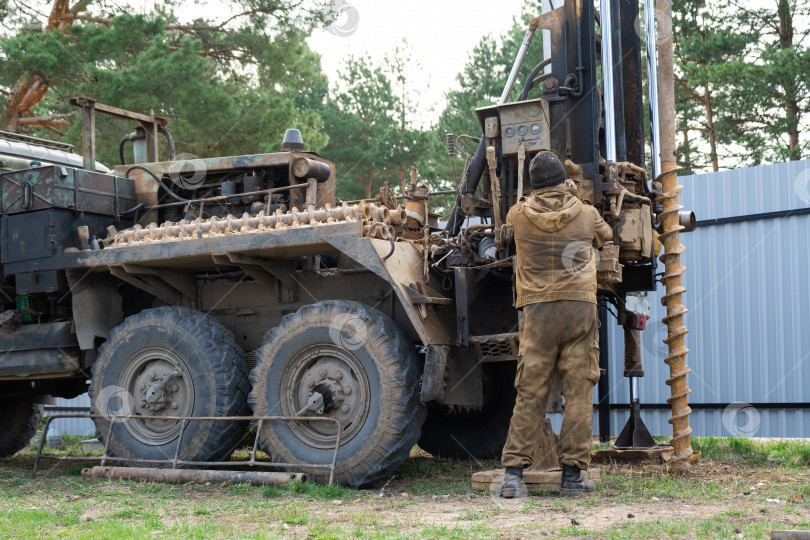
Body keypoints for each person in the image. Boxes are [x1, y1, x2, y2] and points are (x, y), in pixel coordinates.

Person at [498, 151, 613, 498]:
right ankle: (573, 478)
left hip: (538, 313)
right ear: (564, 181)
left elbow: (507, 229)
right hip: (579, 308)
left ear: (533, 185)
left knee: (530, 391)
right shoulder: (588, 213)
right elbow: (606, 236)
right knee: (579, 392)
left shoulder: (518, 214)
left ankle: (513, 476)